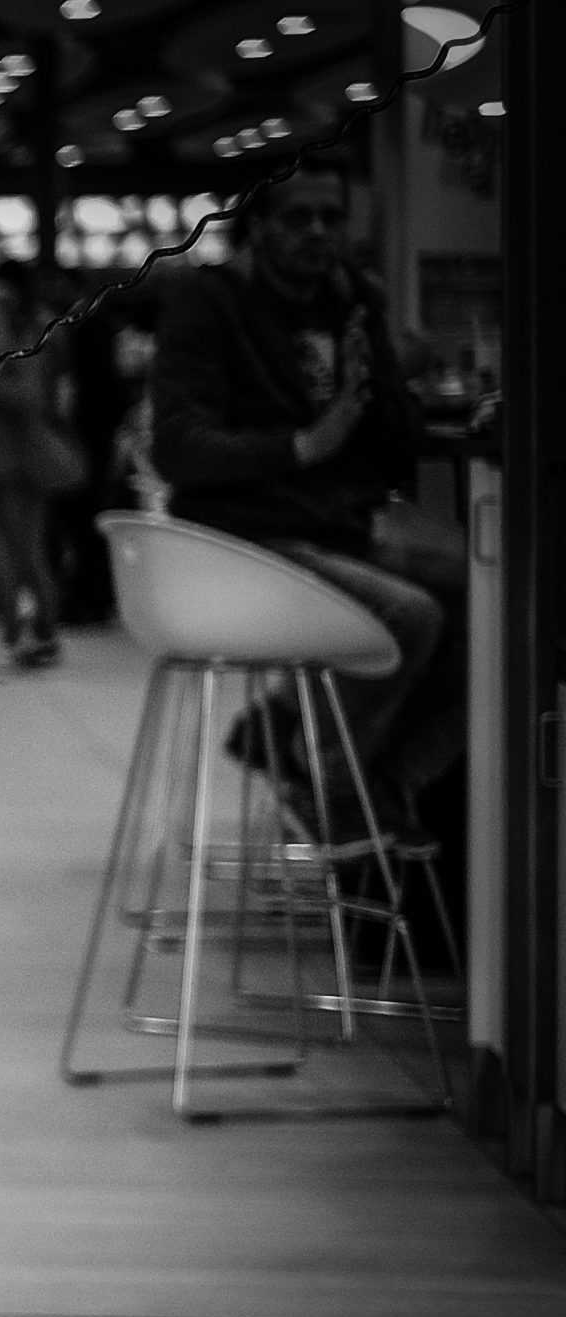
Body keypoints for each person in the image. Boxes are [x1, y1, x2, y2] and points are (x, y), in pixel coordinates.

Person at [151, 156, 458, 842]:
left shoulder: (350, 300)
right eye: (298, 218)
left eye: (332, 218)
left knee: (489, 603)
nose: (319, 232)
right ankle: (328, 783)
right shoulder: (211, 302)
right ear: (258, 225)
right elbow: (179, 449)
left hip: (332, 529)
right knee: (411, 615)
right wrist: (302, 446)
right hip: (243, 540)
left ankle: (376, 782)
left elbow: (391, 443)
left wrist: (383, 363)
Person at [0, 263, 85, 670]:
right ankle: (28, 633)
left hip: (13, 454)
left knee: (19, 551)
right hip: (2, 452)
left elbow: (27, 401)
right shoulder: (37, 328)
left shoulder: (24, 335)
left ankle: (33, 633)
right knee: (15, 550)